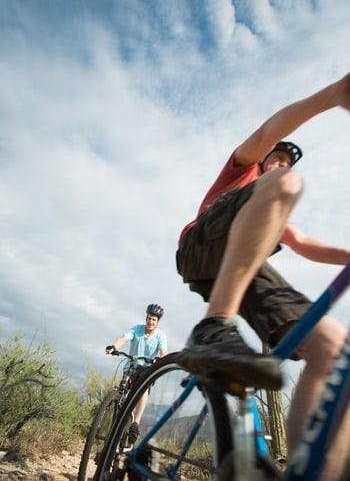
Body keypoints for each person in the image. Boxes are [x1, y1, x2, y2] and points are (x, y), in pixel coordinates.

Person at [175, 73, 350, 480]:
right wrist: (331, 95)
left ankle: (309, 472)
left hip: (244, 267)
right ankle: (215, 328)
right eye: (276, 158)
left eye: (286, 162)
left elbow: (304, 244)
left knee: (335, 348)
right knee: (282, 188)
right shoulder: (244, 173)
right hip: (201, 247)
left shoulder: (272, 204)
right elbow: (269, 131)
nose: (281, 164)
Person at [105, 303, 167, 444]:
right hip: (131, 366)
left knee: (142, 387)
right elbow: (123, 338)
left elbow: (163, 352)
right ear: (146, 318)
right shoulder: (137, 329)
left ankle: (135, 424)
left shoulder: (160, 336)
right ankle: (111, 433)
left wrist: (161, 359)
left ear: (158, 322)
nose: (150, 322)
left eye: (154, 320)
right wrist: (114, 346)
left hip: (147, 370)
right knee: (122, 392)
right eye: (149, 318)